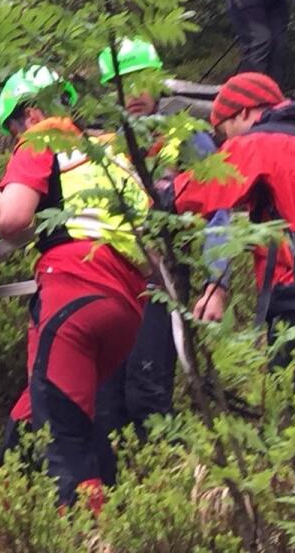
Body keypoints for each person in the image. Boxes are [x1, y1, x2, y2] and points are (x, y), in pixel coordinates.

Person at [0, 66, 150, 511]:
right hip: (128, 306)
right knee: (39, 405)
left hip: (73, 293)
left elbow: (14, 220)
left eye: (14, 130)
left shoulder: (43, 139)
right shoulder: (111, 152)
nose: (16, 140)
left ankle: (89, 531)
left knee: (63, 437)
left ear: (31, 115)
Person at [92, 40, 232, 463]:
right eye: (122, 83)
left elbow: (219, 209)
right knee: (107, 401)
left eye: (141, 81)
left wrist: (217, 282)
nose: (133, 93)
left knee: (146, 391)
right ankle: (120, 493)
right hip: (112, 282)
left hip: (163, 280)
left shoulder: (185, 138)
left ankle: (171, 478)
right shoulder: (105, 147)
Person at [174, 72, 295, 366]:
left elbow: (196, 191)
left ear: (244, 112)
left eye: (224, 131)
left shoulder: (260, 142)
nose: (225, 141)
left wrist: (154, 196)